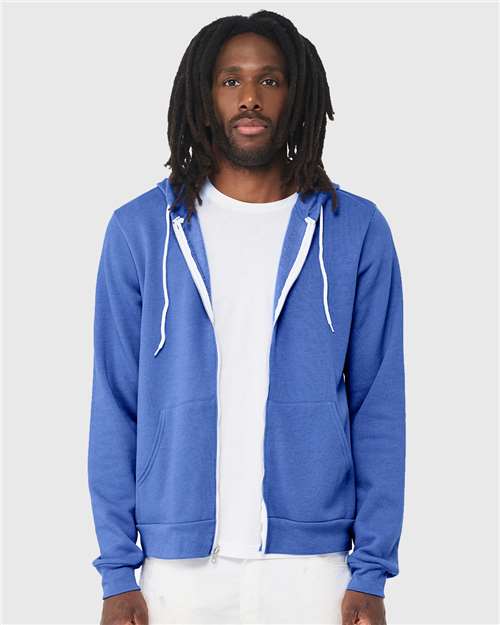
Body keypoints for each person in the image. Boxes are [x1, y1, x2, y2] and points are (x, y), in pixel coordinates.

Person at [87, 9, 406, 625]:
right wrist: (116, 572)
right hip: (174, 571)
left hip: (314, 569)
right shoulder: (139, 230)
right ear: (204, 97)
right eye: (231, 80)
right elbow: (115, 403)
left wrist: (371, 569)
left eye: (270, 80)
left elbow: (379, 405)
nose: (250, 97)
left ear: (297, 95)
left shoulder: (356, 230)